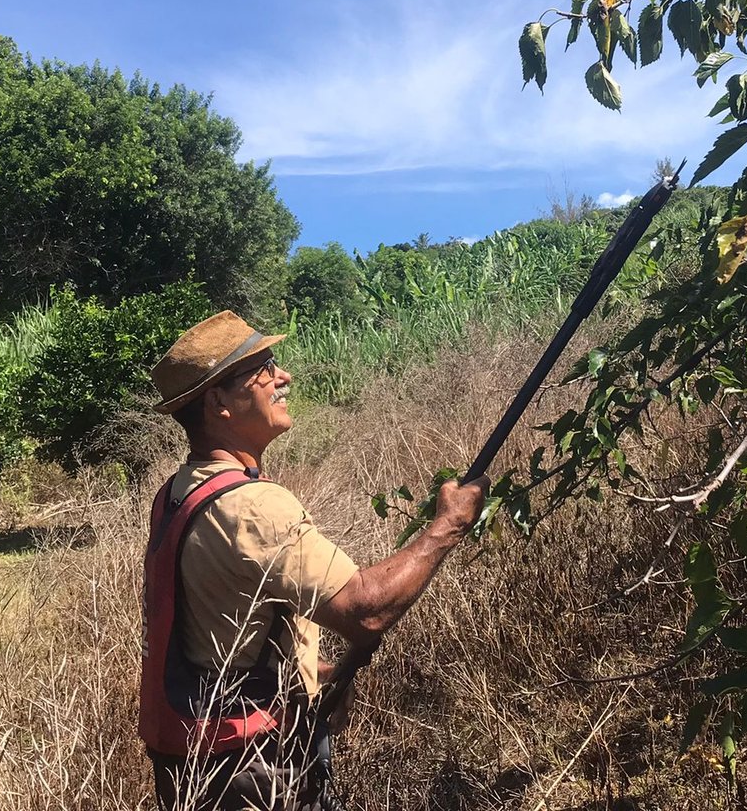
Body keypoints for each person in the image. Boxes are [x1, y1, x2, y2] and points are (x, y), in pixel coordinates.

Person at [139, 310, 487, 811]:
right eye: (264, 368)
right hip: (251, 768)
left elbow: (215, 620)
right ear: (218, 402)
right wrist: (448, 524)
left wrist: (307, 670)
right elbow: (366, 609)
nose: (284, 377)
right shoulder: (252, 506)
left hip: (197, 760)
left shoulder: (178, 493)